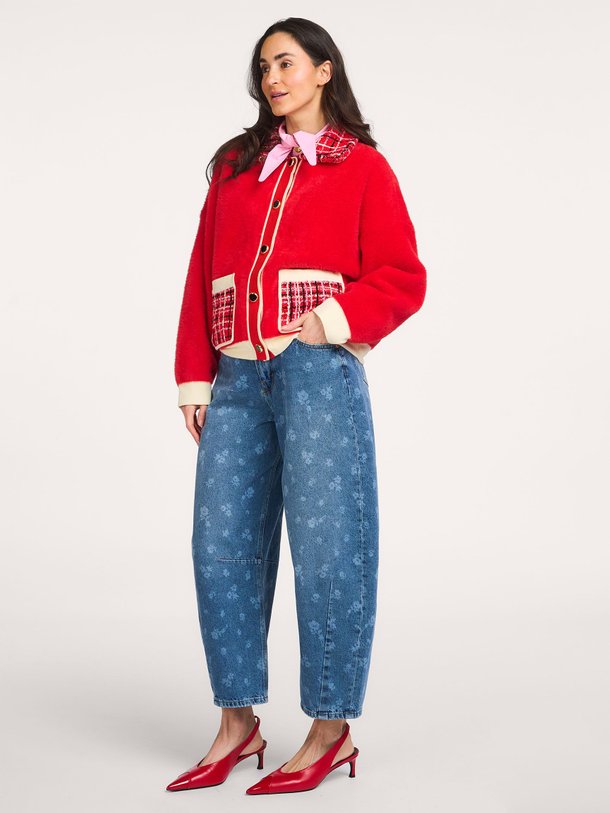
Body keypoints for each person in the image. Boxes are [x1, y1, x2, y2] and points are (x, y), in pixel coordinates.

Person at [166, 17, 427, 796]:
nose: (272, 79)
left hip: (318, 375)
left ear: (323, 70)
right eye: (263, 68)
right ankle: (237, 723)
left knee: (329, 548)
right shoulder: (234, 167)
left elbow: (403, 275)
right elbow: (200, 272)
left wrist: (331, 321)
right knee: (220, 549)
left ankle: (329, 729)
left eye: (285, 63)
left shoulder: (363, 168)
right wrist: (195, 377)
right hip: (236, 380)